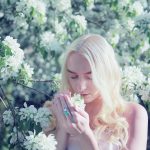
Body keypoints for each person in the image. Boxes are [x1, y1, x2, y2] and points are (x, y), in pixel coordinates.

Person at [44, 34, 148, 150]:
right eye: (73, 76)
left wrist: (85, 135)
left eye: (90, 77)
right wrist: (62, 128)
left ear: (107, 73)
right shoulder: (54, 113)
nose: (80, 87)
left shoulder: (133, 114)